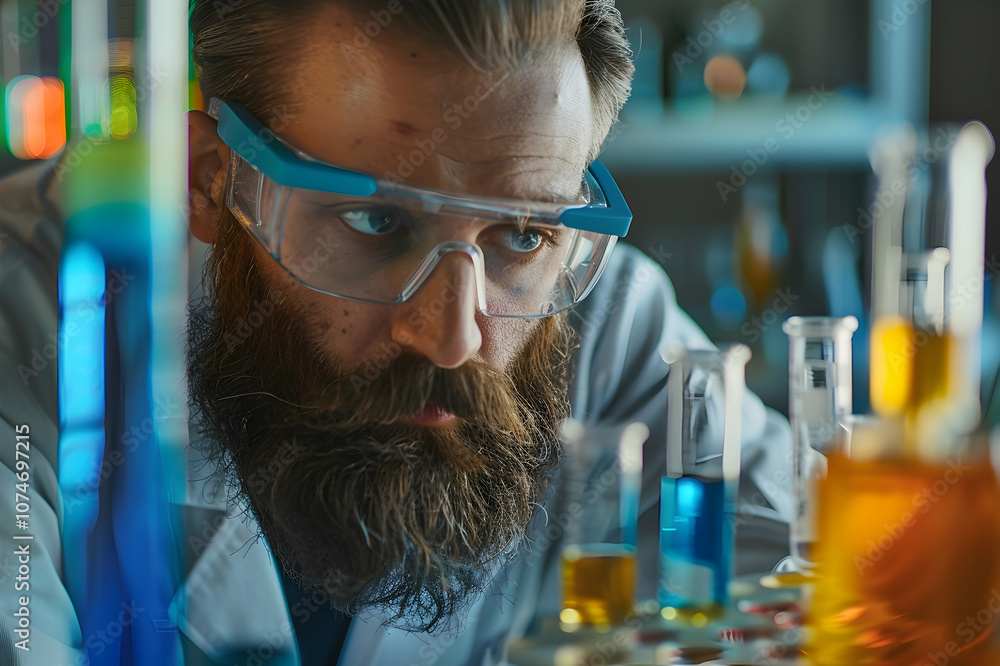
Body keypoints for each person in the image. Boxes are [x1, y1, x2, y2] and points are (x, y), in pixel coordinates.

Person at [0, 1, 792, 663]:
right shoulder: (34, 318)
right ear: (211, 178)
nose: (452, 339)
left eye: (521, 234)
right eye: (376, 221)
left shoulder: (601, 317)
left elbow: (805, 587)